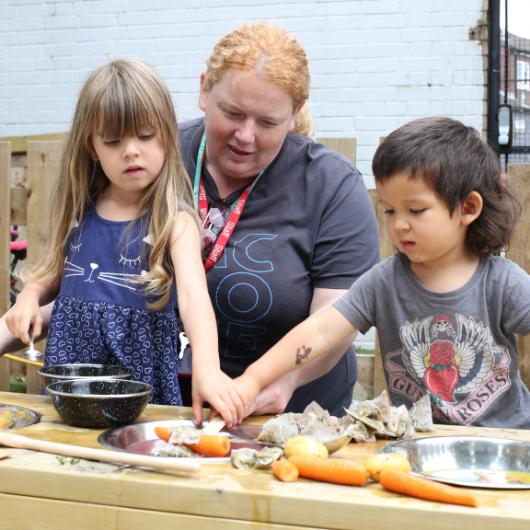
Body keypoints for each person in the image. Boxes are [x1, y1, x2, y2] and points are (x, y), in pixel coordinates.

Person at [235, 116, 530, 428]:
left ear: (468, 208)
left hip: (507, 448)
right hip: (419, 448)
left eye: (416, 211)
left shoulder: (503, 282)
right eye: (390, 210)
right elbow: (320, 331)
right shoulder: (383, 282)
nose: (399, 224)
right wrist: (253, 378)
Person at [3, 59, 244, 427]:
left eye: (145, 136)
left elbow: (195, 299)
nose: (131, 151)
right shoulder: (80, 212)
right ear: (92, 146)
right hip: (69, 401)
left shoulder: (174, 222)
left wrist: (207, 370)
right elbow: (55, 275)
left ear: (166, 134)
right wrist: (29, 296)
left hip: (141, 409)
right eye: (113, 141)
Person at [176, 21, 379, 416]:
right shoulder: (158, 157)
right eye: (232, 113)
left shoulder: (332, 186)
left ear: (295, 114)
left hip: (291, 414)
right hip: (167, 408)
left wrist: (285, 381)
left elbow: (336, 321)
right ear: (203, 90)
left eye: (268, 123)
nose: (245, 136)